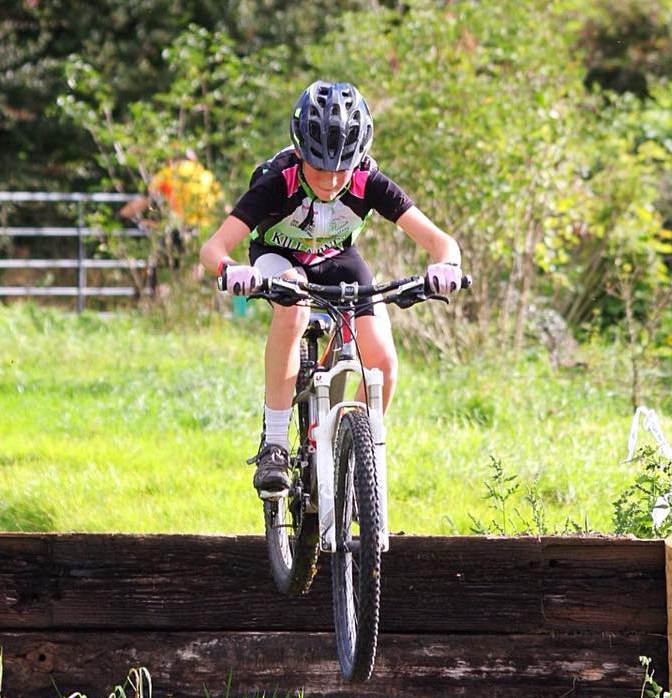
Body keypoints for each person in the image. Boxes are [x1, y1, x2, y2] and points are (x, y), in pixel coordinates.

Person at [200, 80, 464, 499]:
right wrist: (231, 269)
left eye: (342, 168)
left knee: (384, 362)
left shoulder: (367, 180)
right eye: (320, 168)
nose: (331, 179)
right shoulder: (276, 181)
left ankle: (360, 461)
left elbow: (440, 241)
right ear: (301, 152)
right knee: (294, 303)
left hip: (338, 260)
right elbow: (212, 247)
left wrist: (446, 266)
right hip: (277, 259)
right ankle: (274, 444)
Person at [121, 150, 223, 283]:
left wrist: (122, 215)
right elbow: (222, 205)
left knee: (158, 265)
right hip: (207, 231)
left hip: (181, 228)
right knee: (197, 270)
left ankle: (152, 294)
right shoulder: (207, 175)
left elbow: (147, 199)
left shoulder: (170, 172)